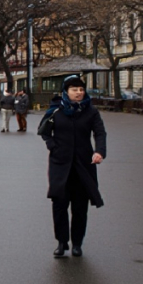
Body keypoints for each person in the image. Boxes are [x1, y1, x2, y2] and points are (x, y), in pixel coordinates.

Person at [39, 75, 106, 258]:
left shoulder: (91, 111)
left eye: (81, 89)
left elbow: (100, 133)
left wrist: (99, 151)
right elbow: (44, 131)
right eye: (74, 90)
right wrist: (52, 146)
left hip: (83, 165)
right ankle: (61, 242)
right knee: (59, 205)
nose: (78, 93)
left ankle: (77, 243)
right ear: (66, 92)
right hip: (60, 165)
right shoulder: (56, 110)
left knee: (79, 207)